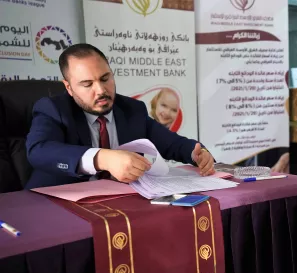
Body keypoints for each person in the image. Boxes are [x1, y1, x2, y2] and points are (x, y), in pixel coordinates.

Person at [25, 43, 214, 189]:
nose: (101, 90)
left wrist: (196, 153)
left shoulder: (132, 109)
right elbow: (39, 151)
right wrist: (103, 158)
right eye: (87, 84)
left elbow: (171, 143)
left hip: (118, 207)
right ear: (69, 87)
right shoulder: (53, 109)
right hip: (58, 210)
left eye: (105, 79)